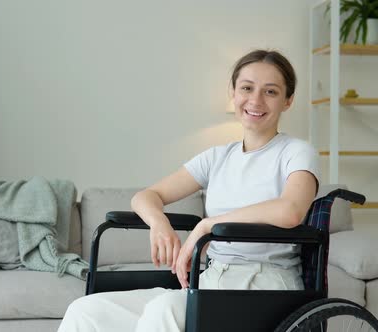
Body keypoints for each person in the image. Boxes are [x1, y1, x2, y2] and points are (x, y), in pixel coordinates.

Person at [57, 49, 320, 332]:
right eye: (246, 88)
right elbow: (145, 197)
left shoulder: (297, 152)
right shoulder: (217, 157)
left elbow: (291, 210)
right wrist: (159, 222)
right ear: (233, 92)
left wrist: (205, 226)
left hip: (267, 282)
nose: (255, 100)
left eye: (270, 91)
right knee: (86, 311)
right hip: (211, 279)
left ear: (288, 100)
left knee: (164, 311)